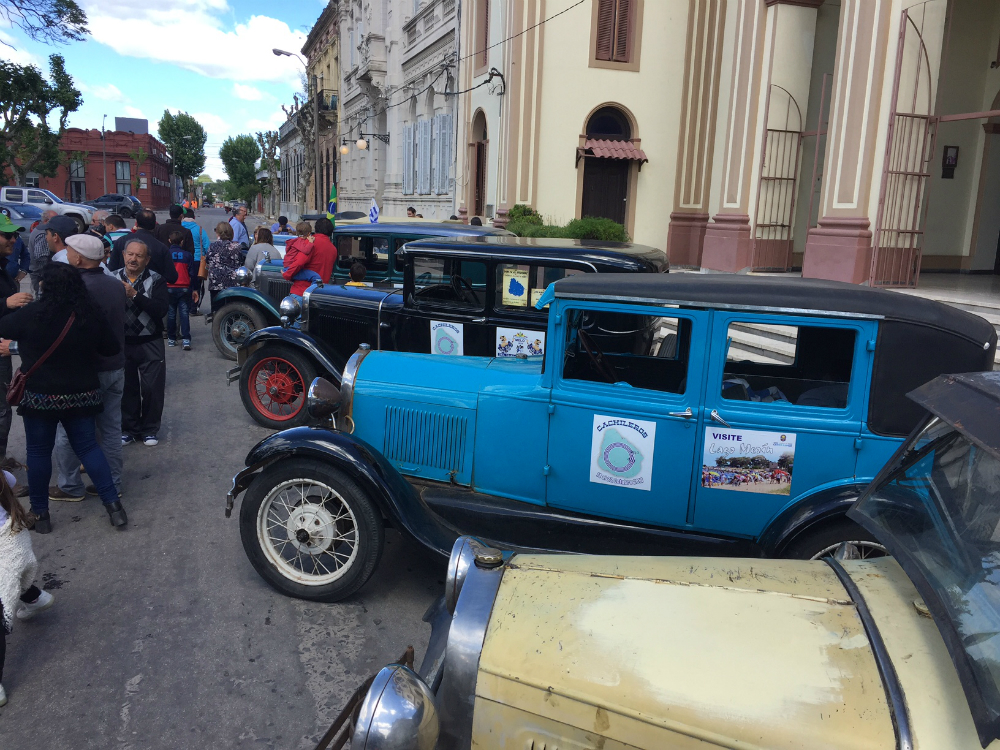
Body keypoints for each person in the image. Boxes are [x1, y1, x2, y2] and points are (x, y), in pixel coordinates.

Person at [0, 263, 125, 534]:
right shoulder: (88, 315)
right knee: (89, 448)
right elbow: (111, 347)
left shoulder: (32, 314)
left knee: (38, 453)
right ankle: (114, 507)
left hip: (41, 395)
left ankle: (41, 514)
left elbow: (5, 327)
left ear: (44, 285)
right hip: (82, 393)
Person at [49, 234, 127, 502]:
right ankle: (113, 483)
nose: (68, 254)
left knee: (68, 429)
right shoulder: (116, 286)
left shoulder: (73, 288)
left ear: (79, 258)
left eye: (70, 251)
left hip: (83, 372)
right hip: (115, 367)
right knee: (111, 429)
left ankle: (70, 485)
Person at [0, 471, 54, 707]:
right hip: (14, 543)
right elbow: (10, 481)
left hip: (6, 550)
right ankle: (34, 598)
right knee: (9, 581)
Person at [114, 241, 168, 448]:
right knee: (126, 386)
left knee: (152, 387)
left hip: (150, 340)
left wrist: (134, 295)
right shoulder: (112, 277)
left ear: (147, 260)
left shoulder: (156, 280)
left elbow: (160, 309)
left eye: (138, 256)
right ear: (123, 255)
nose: (133, 259)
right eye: (130, 254)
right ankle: (129, 428)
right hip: (123, 342)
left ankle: (150, 429)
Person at [0, 215, 33, 474]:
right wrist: (6, 303)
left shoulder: (3, 265)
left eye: (14, 235)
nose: (14, 239)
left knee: (4, 406)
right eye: (7, 235)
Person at [108, 209, 178, 284]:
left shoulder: (121, 242)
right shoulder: (161, 247)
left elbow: (111, 270)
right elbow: (172, 277)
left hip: (123, 288)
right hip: (151, 291)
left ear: (137, 223)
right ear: (154, 224)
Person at [165, 230, 198, 350]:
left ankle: (171, 338)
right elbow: (192, 273)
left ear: (169, 241)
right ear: (182, 242)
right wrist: (194, 289)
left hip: (169, 286)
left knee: (171, 313)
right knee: (184, 313)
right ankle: (185, 339)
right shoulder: (187, 255)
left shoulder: (166, 254)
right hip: (184, 287)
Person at [288, 217, 336, 298]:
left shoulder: (310, 243)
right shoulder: (333, 249)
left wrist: (287, 274)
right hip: (320, 293)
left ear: (316, 229)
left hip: (301, 291)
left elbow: (299, 262)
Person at [201, 222, 244, 306]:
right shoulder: (237, 247)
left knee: (216, 308)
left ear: (218, 233)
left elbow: (208, 260)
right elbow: (240, 262)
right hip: (232, 282)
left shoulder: (213, 246)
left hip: (216, 281)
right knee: (231, 307)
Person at [281, 221, 324, 293]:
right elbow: (306, 251)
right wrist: (311, 242)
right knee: (316, 277)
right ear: (309, 233)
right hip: (289, 269)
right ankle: (312, 294)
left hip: (288, 267)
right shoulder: (299, 242)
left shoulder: (295, 241)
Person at [182, 209, 209, 316]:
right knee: (197, 285)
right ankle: (194, 308)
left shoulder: (181, 229)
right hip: (198, 260)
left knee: (185, 283)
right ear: (193, 218)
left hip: (183, 260)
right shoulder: (200, 230)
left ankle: (184, 306)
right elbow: (207, 246)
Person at [27, 210, 57, 295]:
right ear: (46, 220)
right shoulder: (43, 234)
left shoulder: (38, 229)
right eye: (53, 220)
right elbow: (41, 257)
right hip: (39, 275)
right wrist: (47, 275)